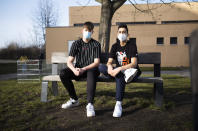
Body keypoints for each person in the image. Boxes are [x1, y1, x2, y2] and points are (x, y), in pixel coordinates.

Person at [99, 24, 141, 117]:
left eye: (124, 32)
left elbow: (134, 63)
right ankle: (116, 74)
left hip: (129, 70)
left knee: (120, 75)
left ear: (127, 34)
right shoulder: (114, 46)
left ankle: (118, 104)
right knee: (101, 67)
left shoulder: (132, 45)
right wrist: (109, 67)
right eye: (120, 32)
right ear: (117, 33)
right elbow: (109, 62)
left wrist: (119, 68)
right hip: (118, 71)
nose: (122, 34)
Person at [59, 21, 101, 117]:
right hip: (78, 70)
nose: (87, 32)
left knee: (92, 72)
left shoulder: (96, 44)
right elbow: (69, 61)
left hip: (91, 69)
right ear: (82, 30)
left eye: (89, 31)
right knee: (63, 73)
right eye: (86, 30)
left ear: (92, 32)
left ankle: (90, 104)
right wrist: (74, 70)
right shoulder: (76, 44)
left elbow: (96, 62)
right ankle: (74, 100)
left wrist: (83, 69)